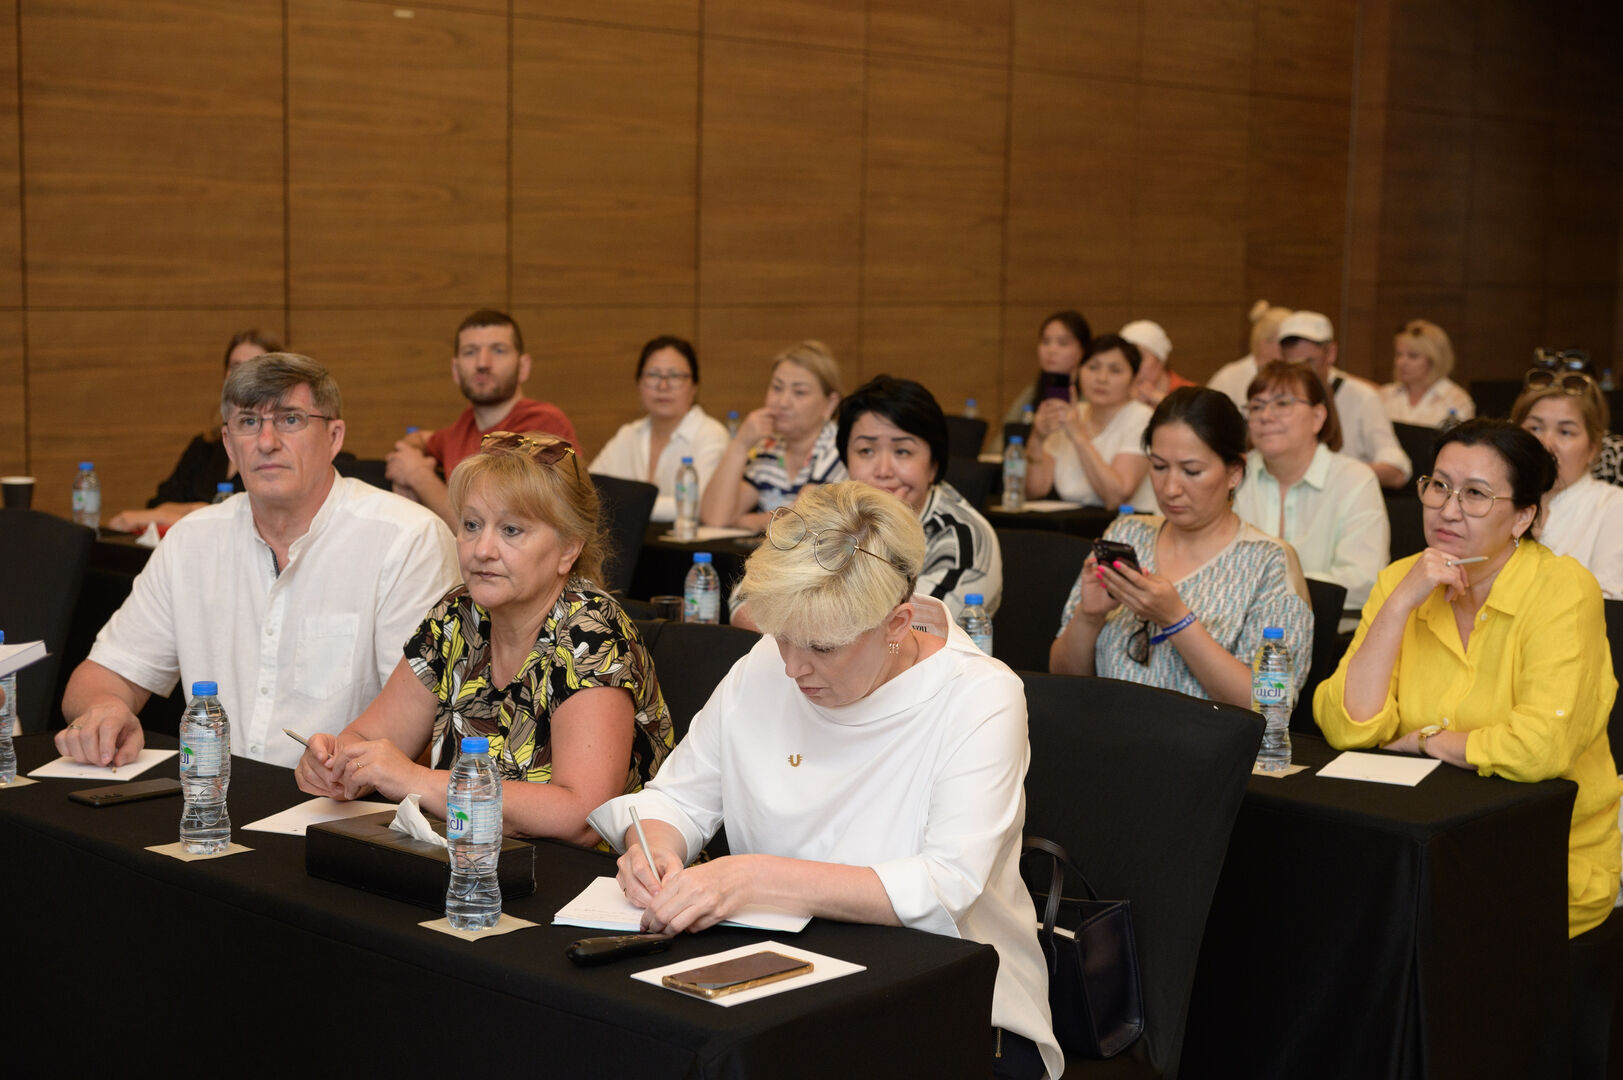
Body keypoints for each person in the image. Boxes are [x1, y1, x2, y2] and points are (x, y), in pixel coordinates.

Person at [586, 483, 1062, 1079]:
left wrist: (752, 876)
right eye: (782, 636)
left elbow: (945, 885)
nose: (792, 666)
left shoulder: (979, 696)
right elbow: (677, 799)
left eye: (822, 647)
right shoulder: (767, 662)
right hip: (777, 977)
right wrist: (654, 849)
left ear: (897, 623)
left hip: (950, 1002)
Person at [57, 353, 459, 770]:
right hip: (214, 794)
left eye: (290, 419)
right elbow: (99, 676)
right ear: (229, 444)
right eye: (249, 422)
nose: (267, 442)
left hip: (348, 799)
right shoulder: (190, 541)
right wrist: (105, 709)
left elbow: (422, 722)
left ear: (334, 437)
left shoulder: (408, 540)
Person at [1314, 419, 1621, 937]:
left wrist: (1427, 741)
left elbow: (1540, 748)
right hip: (1418, 842)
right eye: (1439, 485)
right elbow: (1348, 725)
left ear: (1524, 516)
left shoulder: (1563, 589)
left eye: (1476, 494)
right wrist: (1399, 605)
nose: (1448, 509)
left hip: (1540, 857)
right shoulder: (1403, 578)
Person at [296, 432, 673, 841]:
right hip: (470, 857)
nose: (482, 549)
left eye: (511, 530)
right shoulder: (457, 615)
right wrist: (337, 763)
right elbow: (370, 738)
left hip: (596, 873)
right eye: (472, 525)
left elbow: (582, 816)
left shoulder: (591, 633)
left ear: (568, 549)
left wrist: (414, 779)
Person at [1050, 387, 1312, 707]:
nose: (1171, 488)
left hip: (1207, 739)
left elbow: (1270, 704)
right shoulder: (1127, 534)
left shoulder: (1268, 561)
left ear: (1234, 472)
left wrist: (1177, 621)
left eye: (1191, 471)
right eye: (1159, 467)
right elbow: (1063, 679)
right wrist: (1089, 617)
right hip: (1107, 730)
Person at [386, 309, 578, 529]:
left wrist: (417, 476)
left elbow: (492, 529)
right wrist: (406, 466)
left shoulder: (544, 426)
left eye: (498, 350)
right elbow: (420, 439)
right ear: (455, 370)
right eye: (470, 352)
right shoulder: (464, 425)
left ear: (523, 367)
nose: (482, 363)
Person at [837, 374, 1002, 617]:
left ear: (934, 465)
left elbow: (905, 630)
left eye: (902, 451)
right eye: (866, 451)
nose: (883, 470)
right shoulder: (835, 516)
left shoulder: (962, 541)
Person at [1233, 362, 1389, 618]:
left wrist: (1273, 588)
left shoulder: (1355, 479)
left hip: (1330, 629)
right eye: (1256, 406)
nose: (1265, 416)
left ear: (1317, 417)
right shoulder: (1234, 476)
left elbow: (1363, 580)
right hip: (1240, 625)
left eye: (1282, 403)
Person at [106, 329, 281, 532]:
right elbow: (161, 503)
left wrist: (174, 514)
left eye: (252, 368)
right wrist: (188, 510)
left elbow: (249, 518)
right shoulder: (205, 446)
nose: (241, 377)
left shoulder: (277, 447)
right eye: (235, 367)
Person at [700, 339, 846, 531]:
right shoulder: (769, 447)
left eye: (799, 392)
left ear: (830, 404)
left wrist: (742, 521)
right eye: (777, 388)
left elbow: (798, 522)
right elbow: (715, 517)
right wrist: (740, 445)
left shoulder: (839, 447)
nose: (783, 402)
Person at [588, 335, 730, 523]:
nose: (663, 386)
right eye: (653, 375)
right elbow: (588, 492)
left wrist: (627, 504)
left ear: (694, 386)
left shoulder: (711, 435)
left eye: (675, 376)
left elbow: (700, 505)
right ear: (639, 383)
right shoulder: (628, 434)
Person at [1512, 370, 1623, 598]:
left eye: (1565, 432)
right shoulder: (1496, 498)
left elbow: (1610, 601)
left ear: (1593, 448)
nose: (1546, 443)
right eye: (1534, 428)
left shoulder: (1614, 506)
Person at [1277, 310, 1412, 488]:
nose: (1300, 372)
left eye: (1309, 362)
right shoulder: (1272, 398)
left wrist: (1337, 473)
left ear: (1331, 353)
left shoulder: (1362, 397)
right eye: (1291, 365)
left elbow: (1397, 470)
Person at [1023, 333, 1156, 511]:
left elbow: (1117, 497)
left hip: (1128, 523)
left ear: (1134, 379)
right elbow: (1034, 490)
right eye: (1093, 367)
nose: (1101, 378)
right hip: (1074, 522)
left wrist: (1078, 435)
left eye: (1115, 370)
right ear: (1078, 372)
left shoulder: (1142, 417)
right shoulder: (1073, 412)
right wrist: (1037, 438)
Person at [1002, 310, 1091, 428]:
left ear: (1082, 350)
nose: (1051, 350)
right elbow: (1006, 433)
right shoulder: (1033, 391)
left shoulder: (1091, 392)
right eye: (1045, 341)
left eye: (1063, 343)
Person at [1380, 319, 1475, 427]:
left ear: (1434, 360)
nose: (1401, 362)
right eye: (1398, 355)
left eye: (1413, 356)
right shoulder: (1385, 395)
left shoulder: (1457, 400)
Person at [1209, 300, 1293, 409]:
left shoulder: (1293, 376)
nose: (1292, 350)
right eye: (1285, 343)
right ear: (1264, 343)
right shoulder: (1228, 379)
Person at [1120, 319, 1194, 407]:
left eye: (1140, 358)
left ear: (1161, 360)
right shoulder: (1116, 395)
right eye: (1127, 360)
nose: (1132, 366)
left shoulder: (1191, 395)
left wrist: (1164, 402)